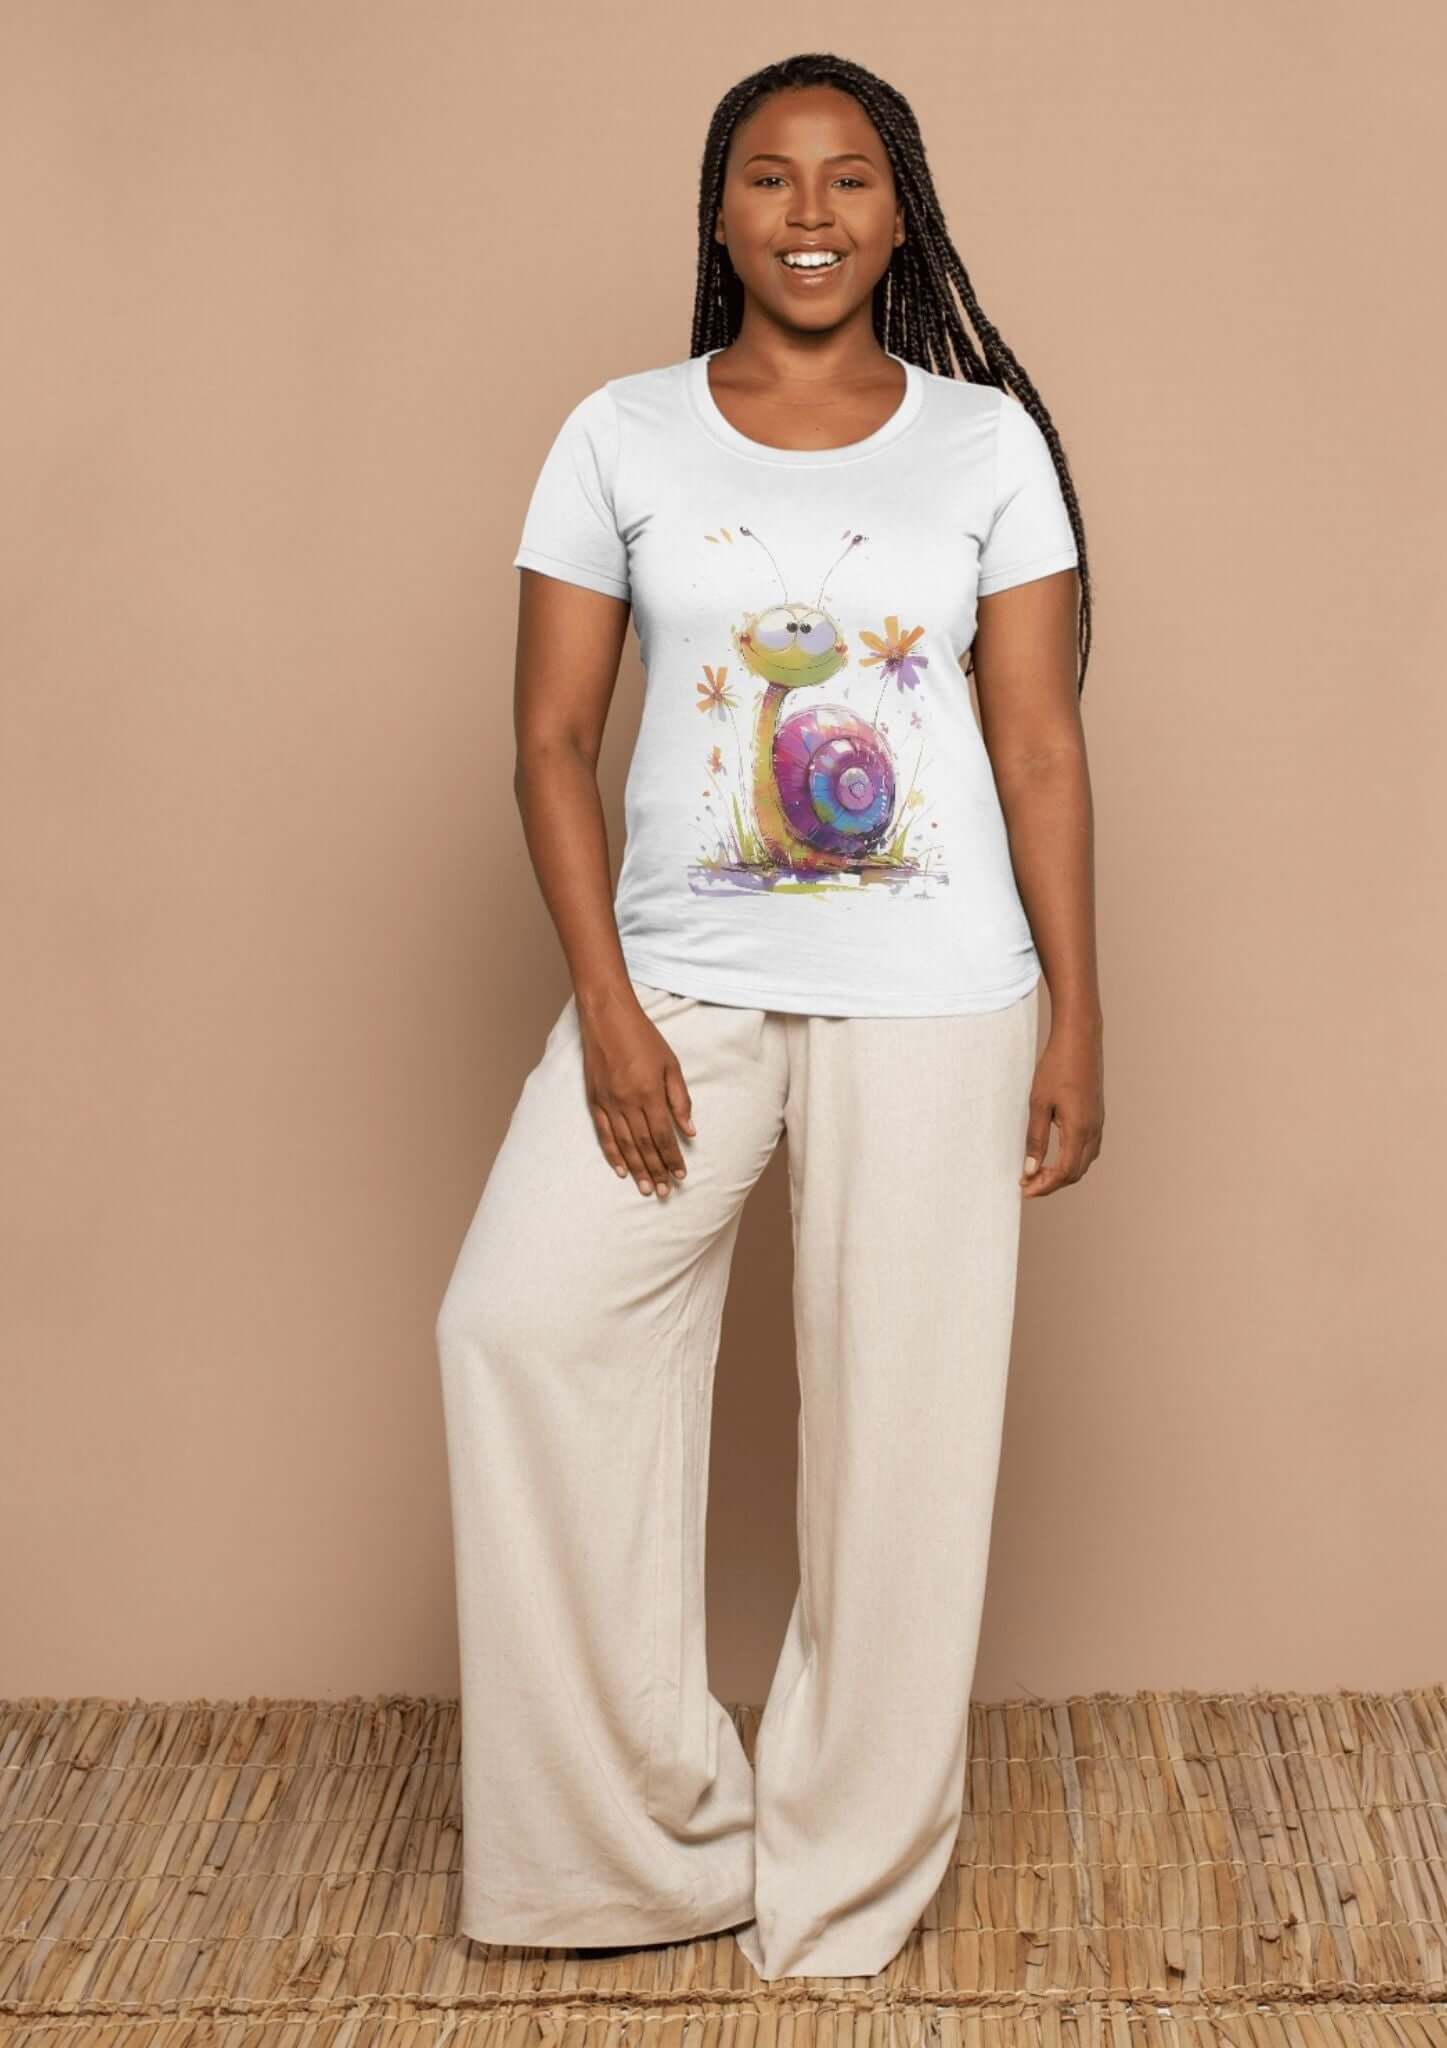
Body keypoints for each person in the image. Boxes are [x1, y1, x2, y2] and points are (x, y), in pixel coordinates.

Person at [435, 49, 1105, 1984]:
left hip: (940, 1001)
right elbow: (551, 743)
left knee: (904, 1440)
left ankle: (845, 1881)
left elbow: (1040, 744)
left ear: (902, 213)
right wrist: (611, 1012)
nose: (809, 214)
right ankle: (633, 1853)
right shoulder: (621, 433)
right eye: (768, 179)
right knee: (518, 1327)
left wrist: (1078, 1017)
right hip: (684, 993)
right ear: (717, 211)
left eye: (849, 180)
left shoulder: (985, 445)